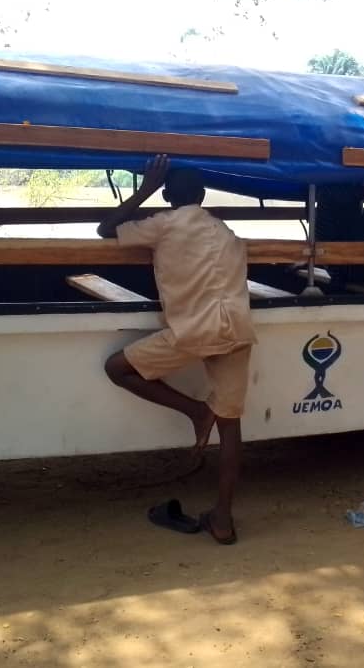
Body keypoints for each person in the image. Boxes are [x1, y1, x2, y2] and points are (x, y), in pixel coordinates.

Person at [98, 155, 256, 545]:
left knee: (117, 368)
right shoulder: (225, 231)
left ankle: (195, 411)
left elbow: (105, 229)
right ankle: (222, 519)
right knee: (231, 424)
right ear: (202, 196)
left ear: (167, 195)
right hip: (237, 329)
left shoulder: (163, 226)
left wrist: (143, 190)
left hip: (195, 330)